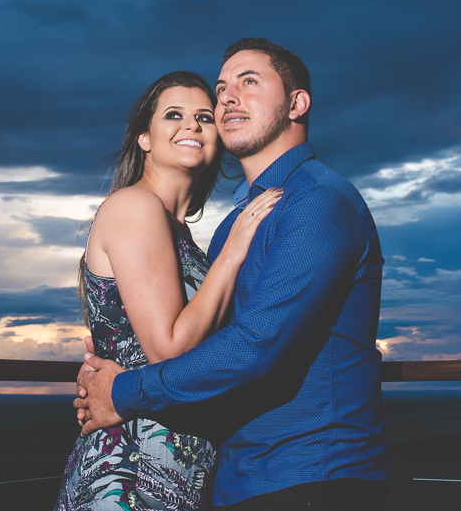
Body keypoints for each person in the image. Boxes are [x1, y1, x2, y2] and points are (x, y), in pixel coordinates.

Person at [75, 39, 387, 510]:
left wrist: (121, 389)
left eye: (249, 82)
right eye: (222, 89)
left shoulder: (318, 201)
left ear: (297, 104)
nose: (228, 99)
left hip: (309, 472)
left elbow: (256, 344)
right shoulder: (231, 230)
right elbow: (199, 341)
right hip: (232, 477)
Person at [55, 70, 283, 510]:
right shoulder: (135, 206)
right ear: (144, 137)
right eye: (174, 115)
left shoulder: (181, 235)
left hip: (181, 472)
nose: (192, 124)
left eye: (205, 117)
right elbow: (169, 349)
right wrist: (233, 254)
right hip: (129, 474)